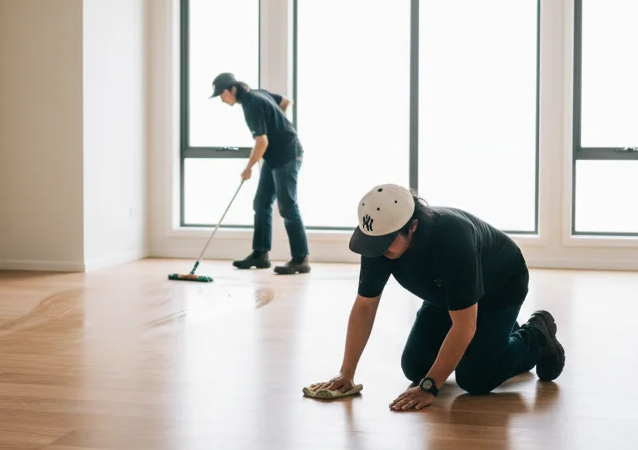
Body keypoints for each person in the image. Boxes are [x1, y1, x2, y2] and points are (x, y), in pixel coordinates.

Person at [308, 184, 565, 411]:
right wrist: (346, 372)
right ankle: (494, 337)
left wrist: (430, 387)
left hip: (501, 287)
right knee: (415, 367)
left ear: (413, 226)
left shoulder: (453, 241)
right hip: (447, 294)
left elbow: (464, 325)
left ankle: (535, 335)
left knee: (475, 378)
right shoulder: (378, 244)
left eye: (387, 243)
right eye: (374, 243)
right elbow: (365, 306)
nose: (379, 251)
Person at [211, 72, 310, 275]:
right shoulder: (258, 94)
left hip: (288, 155)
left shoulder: (251, 104)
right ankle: (260, 254)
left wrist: (248, 168)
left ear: (231, 90)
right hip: (274, 157)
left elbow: (262, 141)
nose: (222, 100)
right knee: (261, 203)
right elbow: (285, 102)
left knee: (287, 205)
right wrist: (278, 124)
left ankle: (301, 259)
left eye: (222, 95)